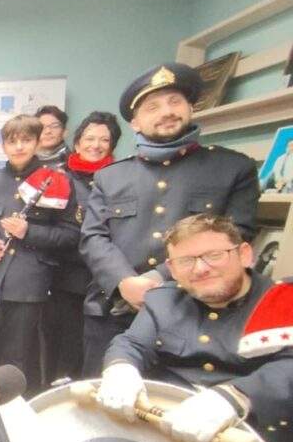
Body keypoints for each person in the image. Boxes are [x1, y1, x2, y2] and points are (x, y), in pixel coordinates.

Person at [80, 63, 259, 376]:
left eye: (175, 102)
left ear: (190, 107)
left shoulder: (232, 168)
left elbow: (238, 232)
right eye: (153, 107)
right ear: (135, 122)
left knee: (175, 397)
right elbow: (93, 237)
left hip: (192, 311)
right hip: (114, 309)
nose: (166, 112)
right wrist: (124, 282)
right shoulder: (110, 176)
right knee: (101, 393)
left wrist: (157, 278)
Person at [96, 214, 293, 442]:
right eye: (186, 261)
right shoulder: (164, 300)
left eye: (214, 255)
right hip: (164, 433)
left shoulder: (282, 301)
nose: (200, 269)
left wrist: (237, 396)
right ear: (172, 269)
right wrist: (120, 368)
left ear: (244, 254)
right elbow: (132, 344)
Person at [0, 115, 79, 391]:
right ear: (3, 146)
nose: (19, 147)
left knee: (17, 359)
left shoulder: (56, 180)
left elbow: (71, 235)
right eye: (12, 141)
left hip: (29, 285)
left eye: (26, 140)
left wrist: (29, 232)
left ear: (37, 142)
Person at [44, 111, 121, 384]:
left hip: (108, 283)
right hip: (66, 282)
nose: (95, 145)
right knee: (63, 353)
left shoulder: (121, 179)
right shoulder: (59, 178)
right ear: (77, 143)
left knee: (99, 356)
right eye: (89, 138)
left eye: (104, 140)